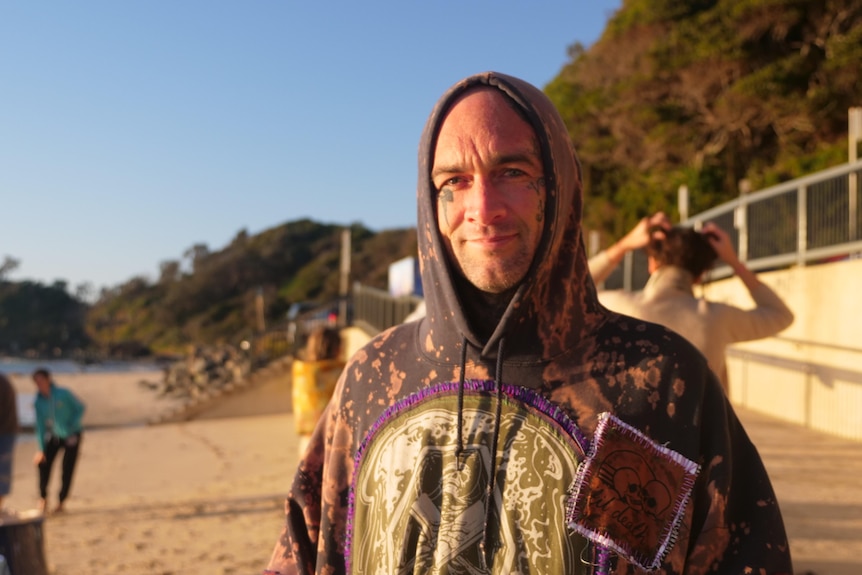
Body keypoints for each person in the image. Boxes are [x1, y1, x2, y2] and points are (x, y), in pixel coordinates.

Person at [264, 72, 792, 574]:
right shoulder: (370, 378)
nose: (483, 207)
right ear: (431, 201)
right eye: (455, 180)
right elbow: (304, 549)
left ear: (559, 187)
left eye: (512, 173)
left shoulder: (661, 381)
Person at [589, 212, 794, 393]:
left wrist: (622, 245)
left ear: (653, 262)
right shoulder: (716, 317)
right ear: (700, 275)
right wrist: (733, 261)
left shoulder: (619, 306)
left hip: (632, 435)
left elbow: (568, 289)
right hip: (700, 437)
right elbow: (780, 315)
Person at [32, 368, 86, 514]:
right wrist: (41, 449)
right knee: (43, 464)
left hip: (72, 435)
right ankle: (43, 498)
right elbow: (40, 427)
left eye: (41, 380)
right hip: (55, 436)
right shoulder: (38, 401)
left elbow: (80, 408)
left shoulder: (63, 393)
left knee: (67, 469)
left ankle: (61, 502)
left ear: (48, 379)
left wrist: (72, 425)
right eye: (36, 381)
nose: (39, 383)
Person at [291, 326, 345, 453]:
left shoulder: (301, 372)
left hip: (306, 442)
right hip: (334, 444)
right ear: (337, 348)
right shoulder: (342, 372)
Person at [0, 373, 17, 512]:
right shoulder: (4, 380)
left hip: (4, 433)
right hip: (7, 431)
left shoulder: (2, 382)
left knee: (2, 471)